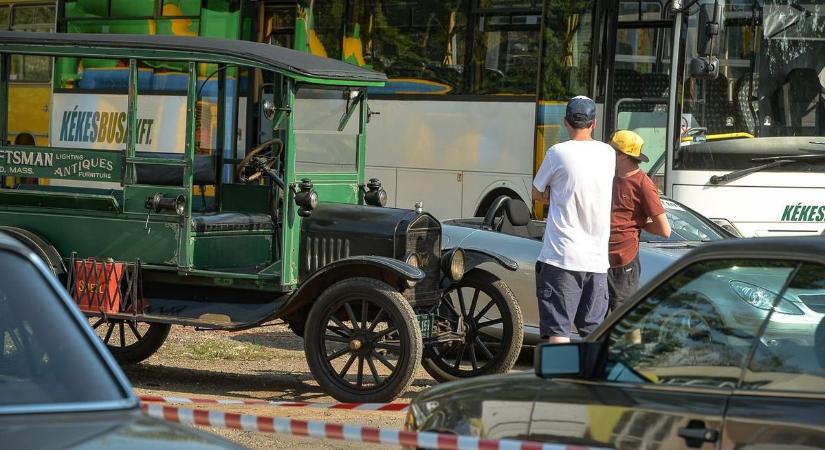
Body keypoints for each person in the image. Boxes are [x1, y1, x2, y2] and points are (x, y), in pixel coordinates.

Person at [532, 96, 615, 343]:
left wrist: (558, 195)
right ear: (594, 124)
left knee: (558, 330)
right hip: (597, 261)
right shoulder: (608, 153)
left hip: (562, 257)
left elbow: (536, 192)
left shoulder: (557, 152)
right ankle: (591, 380)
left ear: (566, 122)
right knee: (593, 331)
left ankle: (560, 381)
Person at [607, 130, 671, 311]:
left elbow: (665, 230)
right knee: (598, 320)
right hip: (599, 259)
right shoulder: (607, 177)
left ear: (623, 156)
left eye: (612, 151)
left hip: (623, 262)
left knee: (622, 320)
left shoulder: (643, 183)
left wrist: (638, 223)